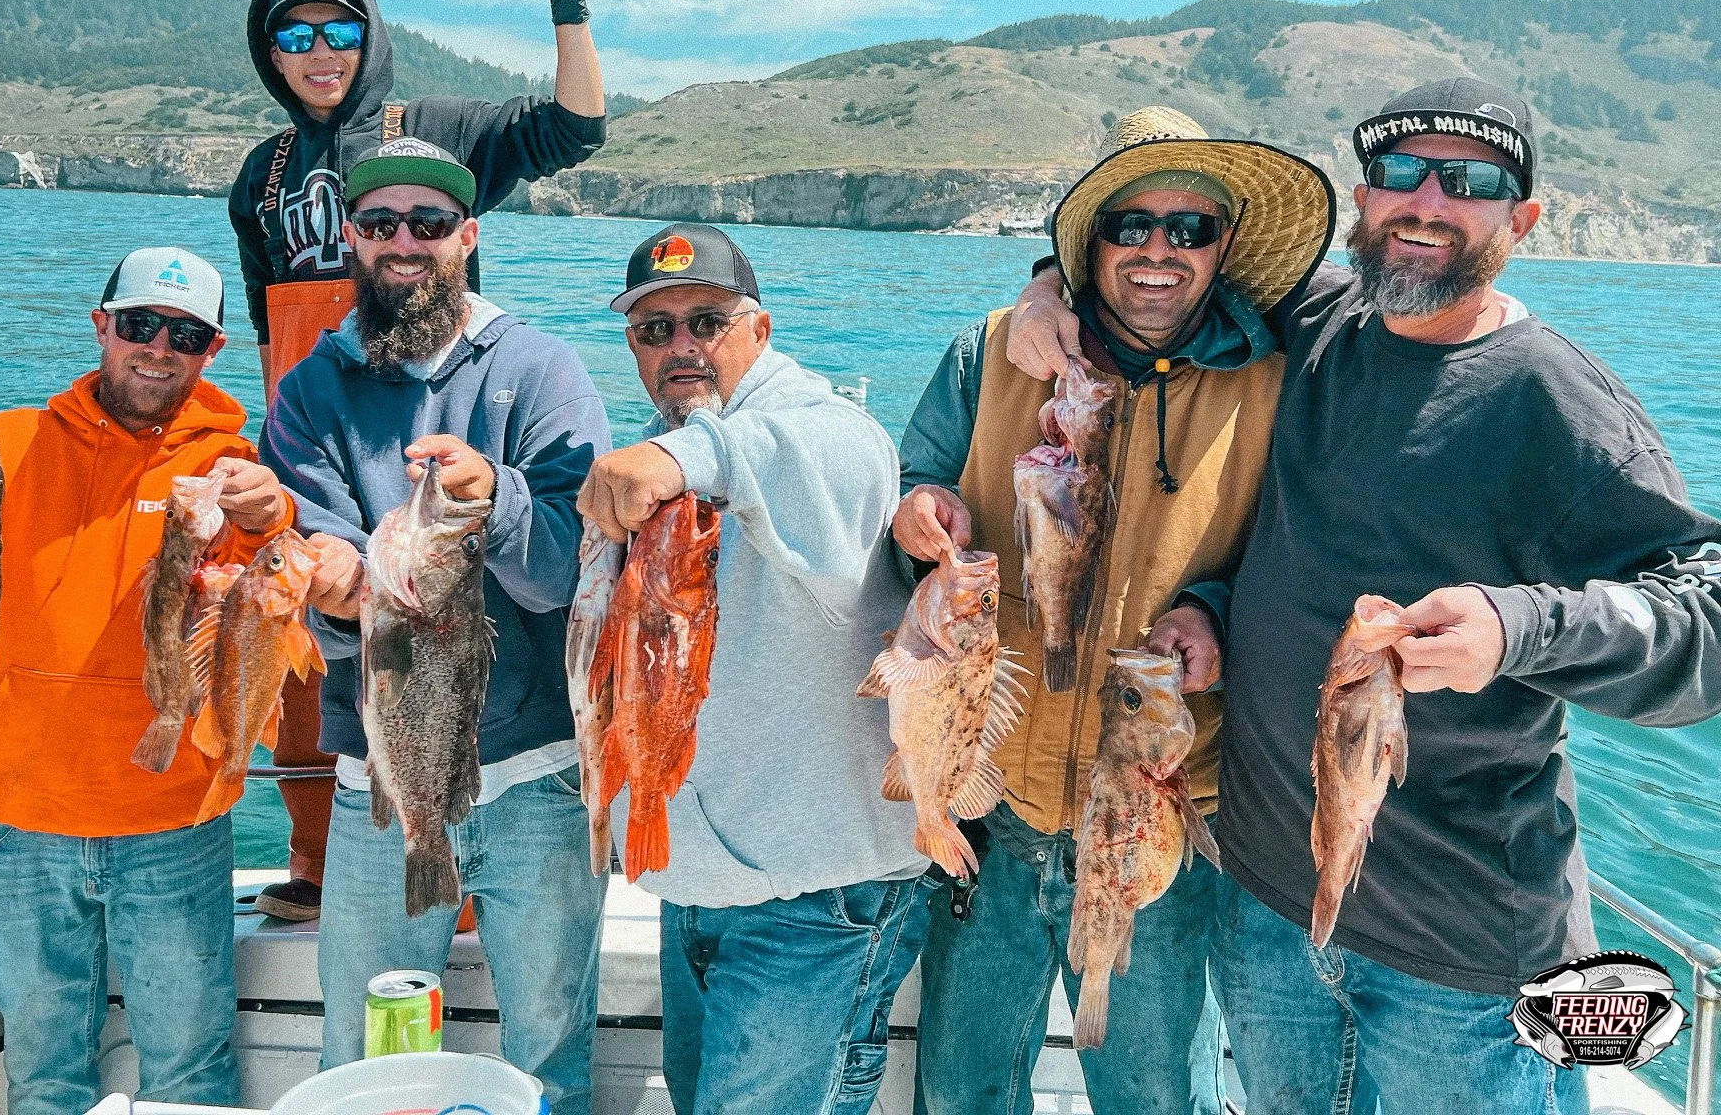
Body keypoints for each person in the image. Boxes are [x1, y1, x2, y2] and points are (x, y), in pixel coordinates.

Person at [1005, 78, 1721, 1113]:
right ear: (1362, 200)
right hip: (1266, 912)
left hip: (1461, 956)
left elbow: (1703, 618)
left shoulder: (1560, 405)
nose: (1426, 201)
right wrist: (1046, 287)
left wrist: (1515, 629)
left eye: (1469, 181)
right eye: (1399, 173)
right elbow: (1162, 264)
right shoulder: (1323, 324)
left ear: (1522, 219)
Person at [894, 108, 1334, 1115]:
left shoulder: (1278, 383)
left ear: (1224, 247)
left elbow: (1301, 561)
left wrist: (1216, 616)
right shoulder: (992, 350)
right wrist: (919, 517)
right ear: (1089, 239)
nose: (1158, 251)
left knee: (1154, 1095)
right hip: (993, 807)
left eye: (1191, 229)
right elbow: (917, 481)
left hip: (1159, 811)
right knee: (960, 1091)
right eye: (1130, 223)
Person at [0, 248, 295, 1115]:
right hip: (16, 823)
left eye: (185, 334)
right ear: (101, 326)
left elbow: (264, 618)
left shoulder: (230, 469)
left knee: (190, 1074)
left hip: (172, 822)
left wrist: (272, 516)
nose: (158, 348)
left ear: (213, 350)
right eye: (139, 325)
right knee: (42, 1074)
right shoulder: (3, 446)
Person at [230, 0, 608, 921]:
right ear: (270, 53)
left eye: (339, 29)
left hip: (422, 400)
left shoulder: (428, 128)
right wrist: (272, 452)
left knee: (441, 640)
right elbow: (267, 318)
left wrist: (568, 8)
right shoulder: (256, 178)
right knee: (310, 680)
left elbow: (573, 131)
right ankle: (320, 862)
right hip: (317, 416)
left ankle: (470, 866)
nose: (319, 51)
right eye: (293, 35)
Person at [258, 140, 611, 1110]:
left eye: (428, 223)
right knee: (361, 1058)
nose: (403, 242)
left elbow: (573, 573)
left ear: (469, 236)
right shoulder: (310, 394)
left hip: (541, 778)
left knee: (550, 1055)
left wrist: (494, 499)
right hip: (384, 782)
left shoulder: (541, 370)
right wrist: (327, 580)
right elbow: (322, 556)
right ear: (350, 241)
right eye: (380, 224)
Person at [576, 223, 931, 1115]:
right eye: (655, 331)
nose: (681, 346)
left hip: (815, 902)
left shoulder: (819, 430)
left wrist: (681, 454)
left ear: (760, 332)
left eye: (707, 320)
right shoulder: (670, 449)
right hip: (696, 882)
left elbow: (843, 462)